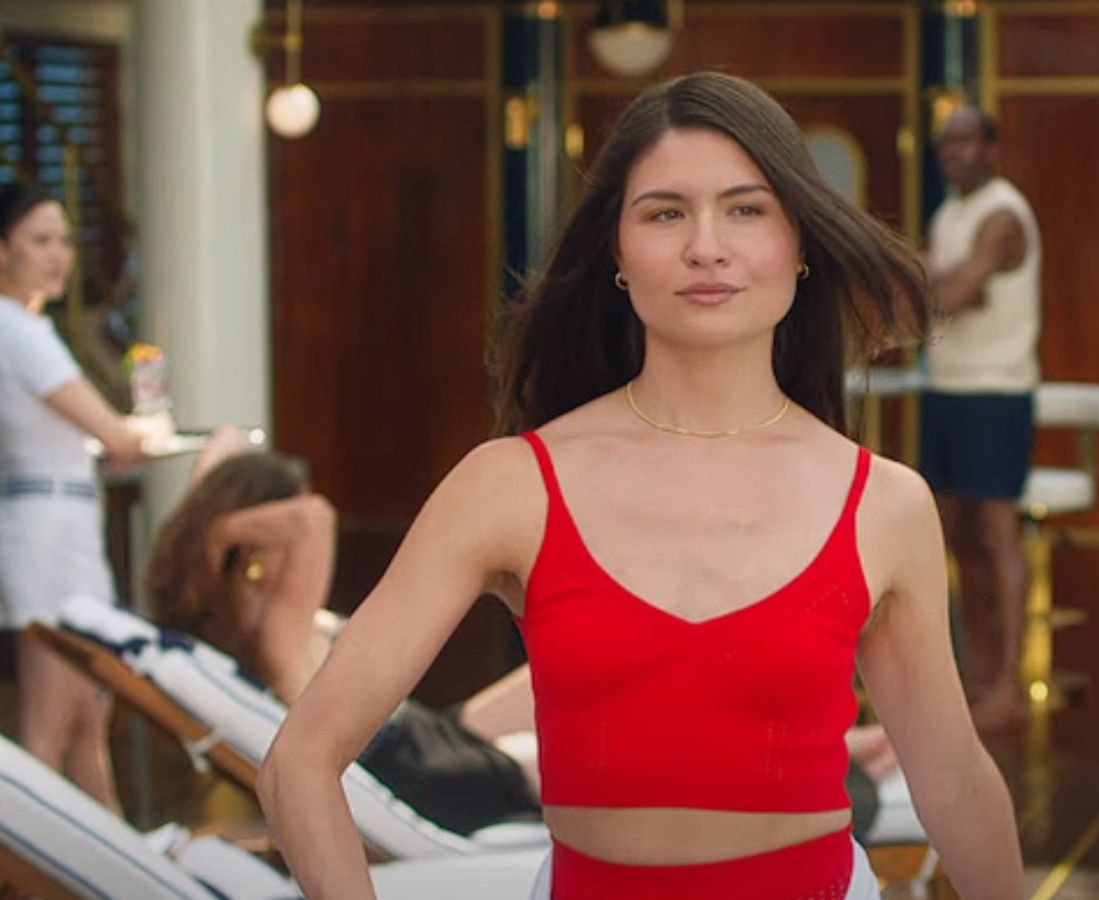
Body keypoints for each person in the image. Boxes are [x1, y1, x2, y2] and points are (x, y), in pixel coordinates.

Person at [259, 71, 1025, 899]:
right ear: (618, 253)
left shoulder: (883, 503)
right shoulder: (512, 487)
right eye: (665, 212)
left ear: (799, 242)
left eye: (746, 208)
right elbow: (301, 761)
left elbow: (952, 783)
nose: (706, 245)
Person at [147, 434, 896, 838]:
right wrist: (215, 524)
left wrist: (211, 516)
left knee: (566, 666)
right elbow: (311, 517)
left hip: (426, 738)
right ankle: (813, 756)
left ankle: (801, 734)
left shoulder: (249, 616)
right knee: (618, 738)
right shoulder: (272, 623)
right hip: (422, 772)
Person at [0, 184, 154, 811]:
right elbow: (115, 434)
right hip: (45, 530)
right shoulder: (19, 332)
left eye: (63, 240)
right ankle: (36, 873)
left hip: (60, 522)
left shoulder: (30, 327)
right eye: (39, 240)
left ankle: (113, 869)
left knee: (87, 714)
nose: (58, 254)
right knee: (52, 720)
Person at [921, 107, 1042, 732]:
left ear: (992, 148)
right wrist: (938, 283)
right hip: (947, 389)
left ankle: (1011, 686)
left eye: (967, 140)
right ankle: (978, 673)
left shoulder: (1002, 214)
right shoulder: (949, 215)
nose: (955, 152)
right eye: (946, 143)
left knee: (996, 533)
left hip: (996, 392)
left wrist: (938, 284)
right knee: (957, 537)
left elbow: (947, 295)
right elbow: (928, 287)